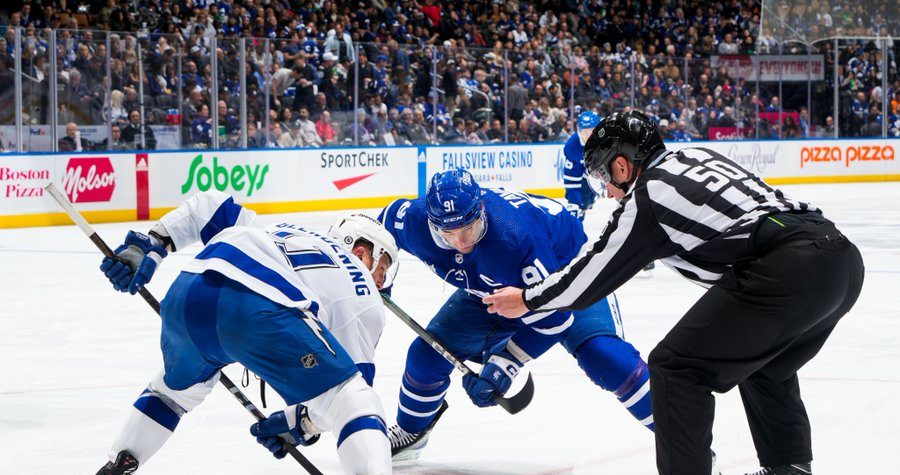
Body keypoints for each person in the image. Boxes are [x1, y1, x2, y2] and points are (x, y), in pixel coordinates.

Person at [483, 111, 865, 475]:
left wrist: (528, 298)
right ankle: (789, 468)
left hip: (789, 269)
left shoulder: (648, 194)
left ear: (622, 165)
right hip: (840, 259)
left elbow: (590, 275)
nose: (608, 192)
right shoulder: (693, 155)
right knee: (766, 363)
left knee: (675, 367)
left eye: (604, 177)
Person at [95, 191, 398, 475]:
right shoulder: (363, 290)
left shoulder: (281, 230)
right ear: (360, 250)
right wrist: (301, 424)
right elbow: (344, 392)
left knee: (171, 393)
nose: (382, 281)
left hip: (187, 293)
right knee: (356, 399)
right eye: (382, 267)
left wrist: (152, 244)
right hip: (258, 312)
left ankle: (118, 460)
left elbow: (207, 206)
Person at [378, 169, 654, 461]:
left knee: (605, 357)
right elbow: (376, 232)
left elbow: (556, 320)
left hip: (568, 273)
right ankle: (411, 432)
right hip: (489, 283)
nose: (460, 242)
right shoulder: (413, 219)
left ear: (482, 210)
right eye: (448, 233)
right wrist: (380, 274)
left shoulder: (516, 239)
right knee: (426, 356)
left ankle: (681, 436)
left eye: (468, 230)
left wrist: (506, 361)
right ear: (431, 223)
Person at [562, 110, 602, 220]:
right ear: (579, 130)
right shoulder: (572, 148)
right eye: (584, 132)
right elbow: (572, 180)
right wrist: (574, 203)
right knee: (581, 205)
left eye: (591, 131)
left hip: (597, 172)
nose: (588, 136)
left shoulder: (606, 141)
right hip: (586, 174)